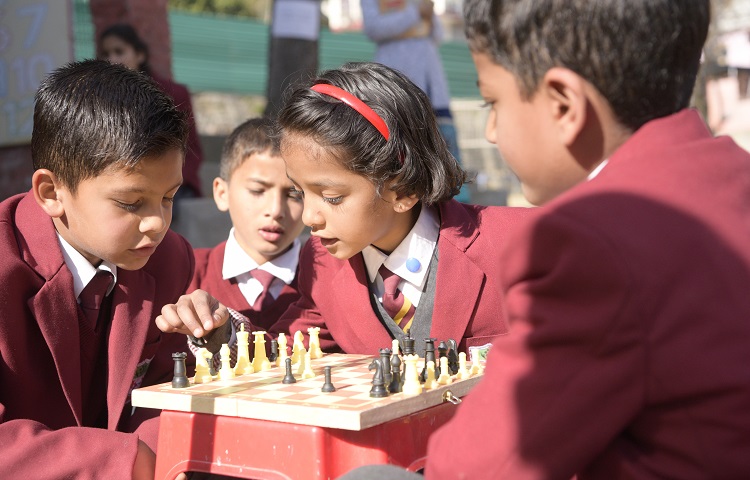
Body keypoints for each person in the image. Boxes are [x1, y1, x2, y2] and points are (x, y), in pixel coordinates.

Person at [343, 0, 750, 478]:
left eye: (493, 103)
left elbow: (485, 467)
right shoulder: (731, 173)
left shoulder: (594, 244)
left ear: (563, 105)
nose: (491, 132)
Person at [157, 62, 529, 359]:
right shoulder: (321, 265)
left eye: (332, 197)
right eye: (301, 192)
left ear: (402, 189)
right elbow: (287, 356)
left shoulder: (522, 243)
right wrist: (220, 331)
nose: (308, 218)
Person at [0, 60, 195, 479]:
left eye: (168, 197)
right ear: (51, 192)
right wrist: (129, 461)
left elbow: (167, 390)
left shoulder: (169, 259)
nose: (157, 223)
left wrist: (161, 452)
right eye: (131, 203)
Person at [187, 117, 305, 367]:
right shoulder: (187, 273)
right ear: (222, 193)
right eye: (257, 191)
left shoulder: (326, 282)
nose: (275, 210)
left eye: (294, 194)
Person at [361, 0, 470, 202]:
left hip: (430, 80)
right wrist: (415, 13)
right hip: (393, 81)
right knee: (398, 144)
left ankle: (455, 203)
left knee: (444, 141)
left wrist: (427, 14)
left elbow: (437, 34)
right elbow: (373, 28)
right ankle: (406, 199)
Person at [99, 23, 204, 201]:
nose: (112, 60)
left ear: (140, 54)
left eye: (119, 51)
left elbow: (191, 148)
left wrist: (169, 180)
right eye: (106, 54)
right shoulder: (101, 98)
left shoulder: (173, 93)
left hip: (173, 182)